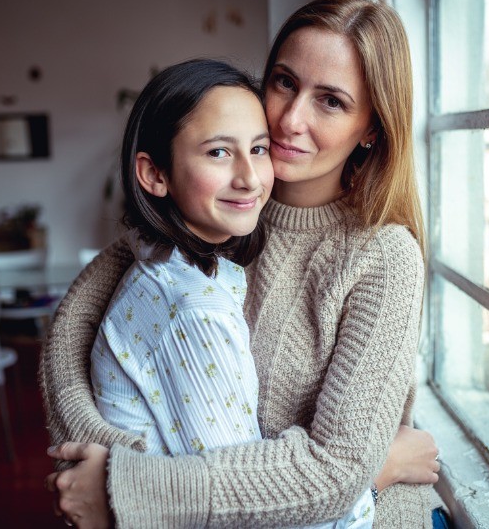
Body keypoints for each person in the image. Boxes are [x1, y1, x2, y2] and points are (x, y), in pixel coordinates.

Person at [42, 0, 438, 528]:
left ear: (371, 126)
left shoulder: (383, 256)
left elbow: (337, 472)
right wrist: (118, 472)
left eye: (332, 102)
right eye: (284, 82)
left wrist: (134, 490)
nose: (290, 120)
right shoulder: (219, 204)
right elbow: (71, 331)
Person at [89, 57, 375, 528]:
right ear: (154, 174)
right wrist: (374, 477)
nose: (249, 177)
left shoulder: (165, 265)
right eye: (219, 153)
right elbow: (249, 511)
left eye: (259, 149)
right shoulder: (194, 311)